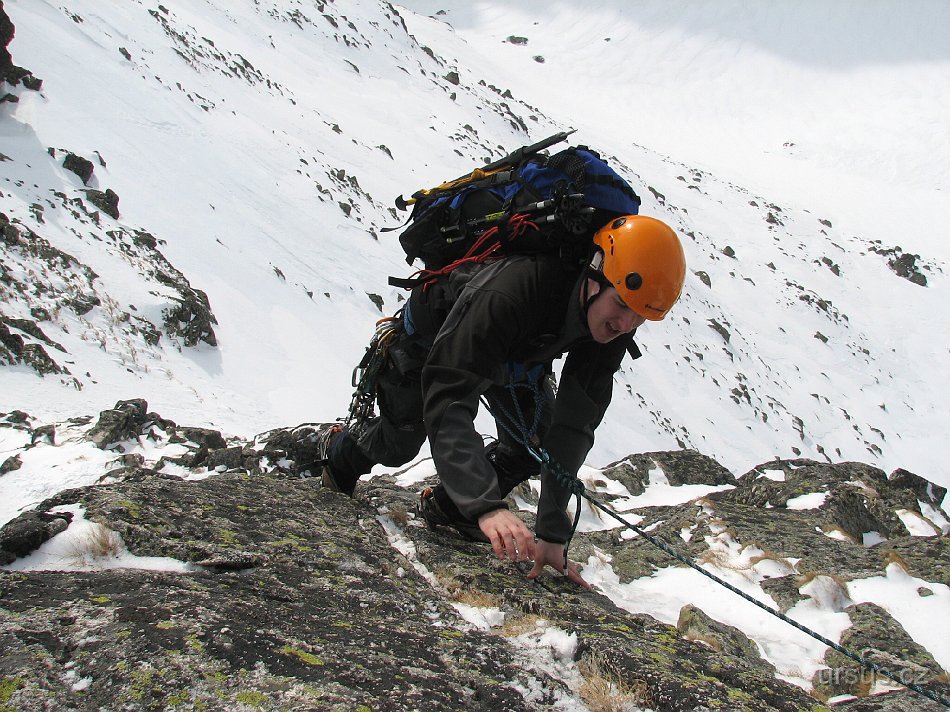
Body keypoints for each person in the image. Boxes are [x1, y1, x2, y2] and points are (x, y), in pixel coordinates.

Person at [315, 214, 686, 588]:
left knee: (533, 447)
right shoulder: (512, 291)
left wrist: (552, 536)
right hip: (432, 344)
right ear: (594, 277)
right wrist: (486, 505)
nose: (624, 324)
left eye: (639, 317)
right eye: (621, 305)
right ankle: (340, 454)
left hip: (514, 358)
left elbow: (574, 424)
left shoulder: (613, 317)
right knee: (398, 444)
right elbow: (449, 396)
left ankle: (448, 508)